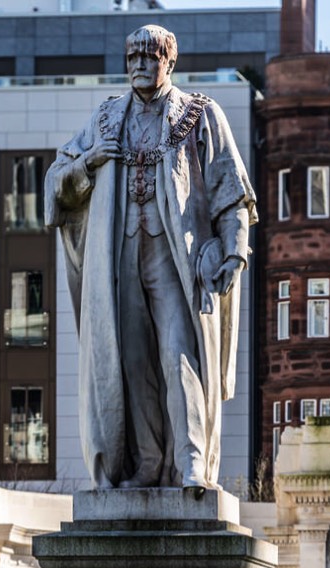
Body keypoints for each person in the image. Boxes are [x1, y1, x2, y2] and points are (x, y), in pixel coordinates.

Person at [45, 23, 256, 490]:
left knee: (178, 355)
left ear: (169, 62)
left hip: (176, 260)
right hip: (119, 257)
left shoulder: (200, 114)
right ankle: (146, 462)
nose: (140, 64)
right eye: (133, 57)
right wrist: (91, 161)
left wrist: (235, 252)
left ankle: (192, 461)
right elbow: (56, 181)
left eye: (150, 56)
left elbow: (232, 194)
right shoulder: (105, 119)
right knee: (132, 361)